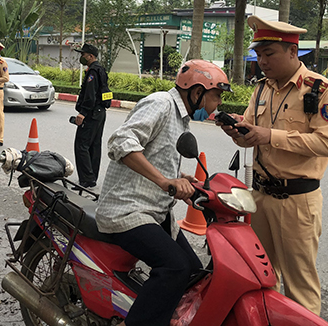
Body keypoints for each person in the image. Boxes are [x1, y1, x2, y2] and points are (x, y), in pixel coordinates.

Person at [218, 15, 328, 316]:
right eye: (259, 55)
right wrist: (240, 132)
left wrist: (269, 135)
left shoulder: (320, 90)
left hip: (297, 201)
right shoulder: (260, 89)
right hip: (260, 197)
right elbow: (253, 138)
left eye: (269, 54)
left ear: (292, 52)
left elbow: (327, 144)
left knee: (300, 285)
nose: (262, 61)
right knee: (262, 278)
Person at [95, 60, 232, 326]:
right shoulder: (161, 104)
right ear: (197, 92)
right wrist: (162, 181)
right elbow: (121, 142)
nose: (217, 106)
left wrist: (180, 179)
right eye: (216, 97)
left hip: (154, 211)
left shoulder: (181, 119)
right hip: (127, 210)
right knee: (175, 267)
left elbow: (154, 155)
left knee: (194, 270)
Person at [73, 43, 110, 188]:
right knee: (94, 145)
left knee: (81, 145)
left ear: (91, 56)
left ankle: (86, 179)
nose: (81, 57)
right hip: (100, 113)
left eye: (83, 54)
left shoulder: (93, 72)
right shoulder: (100, 69)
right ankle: (92, 177)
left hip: (92, 114)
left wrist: (83, 113)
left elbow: (90, 95)